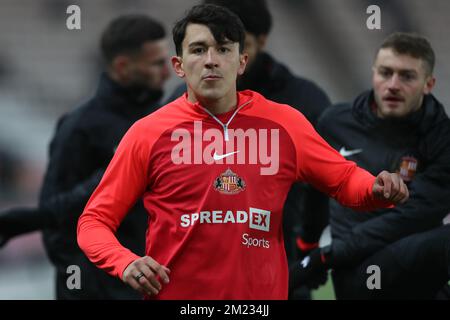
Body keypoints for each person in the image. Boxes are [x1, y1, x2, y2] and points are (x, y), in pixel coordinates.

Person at [77, 4, 408, 300]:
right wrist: (125, 263)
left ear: (241, 61)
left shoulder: (285, 124)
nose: (211, 60)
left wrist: (377, 189)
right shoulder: (147, 133)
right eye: (198, 49)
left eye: (223, 49)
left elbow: (344, 179)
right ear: (178, 65)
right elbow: (93, 222)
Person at [168, 0, 332, 299]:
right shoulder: (180, 102)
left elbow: (325, 181)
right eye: (208, 47)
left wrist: (308, 244)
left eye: (229, 46)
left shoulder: (303, 101)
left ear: (260, 41)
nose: (216, 59)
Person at [0, 14, 170, 299]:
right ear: (123, 67)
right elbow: (59, 222)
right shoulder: (80, 128)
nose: (166, 72)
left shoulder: (161, 123)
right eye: (156, 64)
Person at [289, 32, 450, 299]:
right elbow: (315, 194)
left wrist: (328, 255)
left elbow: (411, 215)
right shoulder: (335, 122)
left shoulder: (442, 138)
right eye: (385, 73)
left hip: (411, 268)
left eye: (407, 76)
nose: (393, 84)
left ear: (428, 84)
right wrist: (306, 250)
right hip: (359, 275)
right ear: (373, 73)